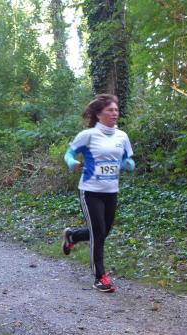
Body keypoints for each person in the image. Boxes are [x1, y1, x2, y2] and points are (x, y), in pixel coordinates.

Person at [62, 94, 135, 293]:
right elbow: (69, 153)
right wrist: (71, 162)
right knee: (98, 233)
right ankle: (99, 277)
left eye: (116, 110)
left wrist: (128, 163)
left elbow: (126, 159)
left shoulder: (122, 136)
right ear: (98, 114)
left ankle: (72, 237)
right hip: (90, 190)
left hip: (111, 191)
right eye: (110, 110)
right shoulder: (88, 135)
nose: (114, 113)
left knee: (103, 232)